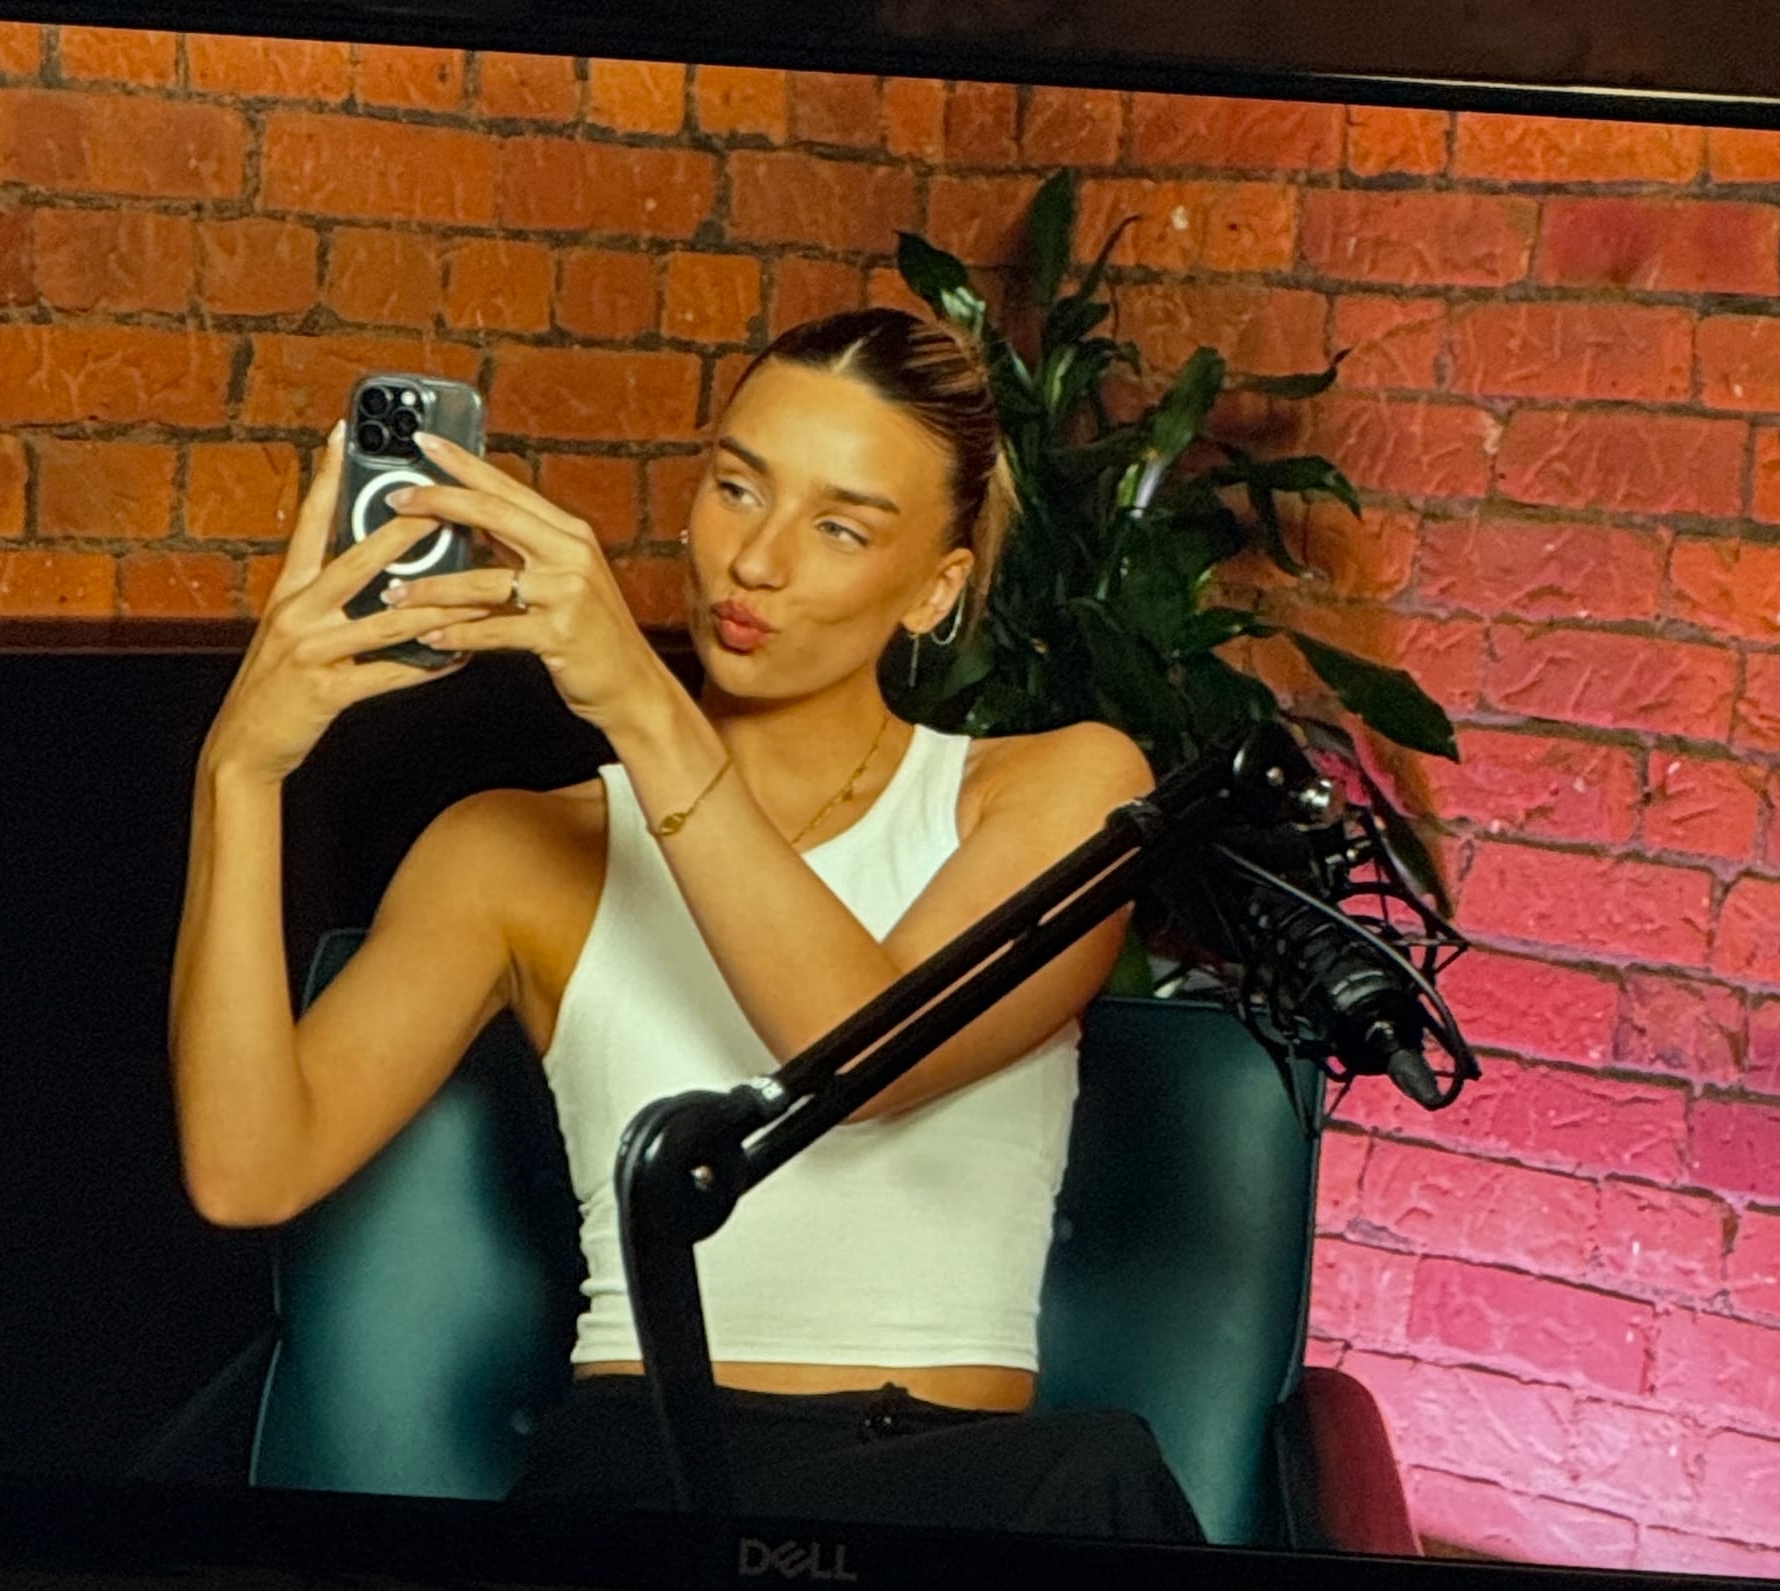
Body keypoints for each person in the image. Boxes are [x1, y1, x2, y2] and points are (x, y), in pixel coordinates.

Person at [168, 307, 1201, 1543]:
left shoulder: (1054, 792)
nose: (754, 561)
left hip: (966, 1497)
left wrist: (644, 710)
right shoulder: (514, 851)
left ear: (934, 589)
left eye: (837, 526)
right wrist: (238, 769)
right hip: (648, 1480)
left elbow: (861, 1057)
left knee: (1093, 1478)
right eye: (734, 487)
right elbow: (245, 1167)